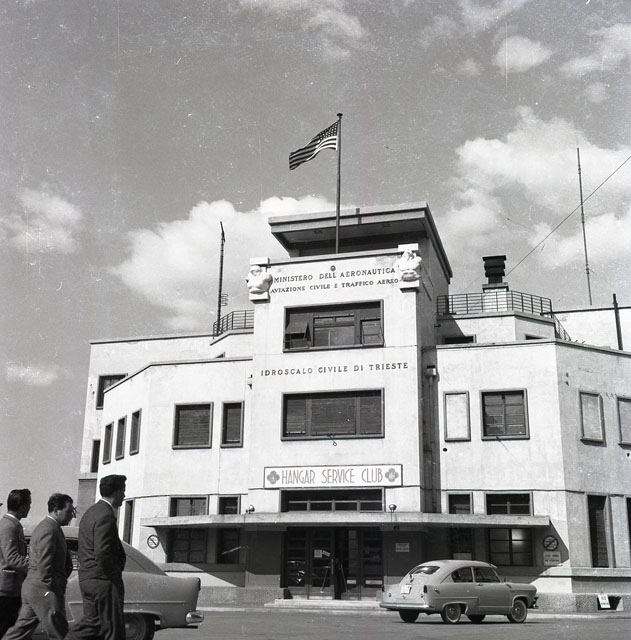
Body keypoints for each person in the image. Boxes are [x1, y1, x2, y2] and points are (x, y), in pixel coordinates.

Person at [4, 494, 75, 640]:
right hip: (44, 589)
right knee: (60, 633)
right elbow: (44, 563)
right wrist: (51, 588)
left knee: (20, 632)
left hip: (36, 588)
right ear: (56, 510)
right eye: (68, 512)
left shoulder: (52, 528)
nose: (71, 516)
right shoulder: (48, 529)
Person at [68, 475, 127, 640]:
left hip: (88, 578)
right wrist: (114, 573)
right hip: (103, 581)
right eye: (123, 490)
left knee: (92, 626)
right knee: (112, 630)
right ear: (116, 492)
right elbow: (102, 552)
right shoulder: (106, 515)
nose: (124, 495)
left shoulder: (91, 512)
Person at [0, 489, 31, 638]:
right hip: (7, 589)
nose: (30, 507)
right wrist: (34, 567)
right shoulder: (9, 526)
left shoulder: (12, 524)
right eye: (28, 504)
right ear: (21, 505)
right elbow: (11, 557)